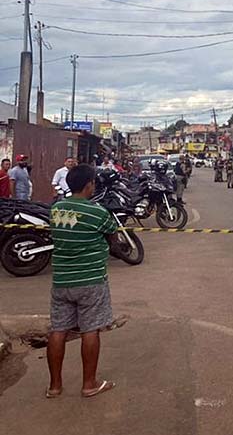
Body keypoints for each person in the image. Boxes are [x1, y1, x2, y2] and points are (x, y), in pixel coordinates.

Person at [46, 163, 119, 399]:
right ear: (89, 185)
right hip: (90, 280)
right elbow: (113, 239)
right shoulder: (97, 212)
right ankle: (89, 384)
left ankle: (54, 386)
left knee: (58, 330)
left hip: (61, 280)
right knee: (90, 330)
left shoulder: (56, 209)